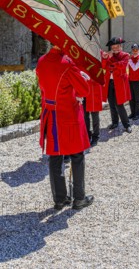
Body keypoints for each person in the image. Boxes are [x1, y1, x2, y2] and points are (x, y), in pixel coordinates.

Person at [36, 45, 94, 211]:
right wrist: (82, 76)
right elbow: (84, 90)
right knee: (77, 156)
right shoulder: (67, 63)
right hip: (67, 115)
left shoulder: (41, 61)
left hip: (50, 114)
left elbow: (43, 88)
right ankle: (79, 198)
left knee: (55, 158)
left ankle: (60, 199)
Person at [102, 37, 132, 133]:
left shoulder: (125, 55)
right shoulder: (108, 56)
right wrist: (105, 58)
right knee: (111, 104)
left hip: (119, 83)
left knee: (119, 105)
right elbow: (103, 66)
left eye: (116, 46)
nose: (115, 48)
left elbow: (122, 65)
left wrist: (111, 64)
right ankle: (115, 123)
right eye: (113, 47)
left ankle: (126, 125)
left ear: (120, 46)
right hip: (110, 82)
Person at [83, 76, 103, 147]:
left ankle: (95, 136)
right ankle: (87, 135)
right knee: (85, 116)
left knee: (95, 116)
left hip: (93, 91)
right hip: (83, 91)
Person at [128, 43, 139, 120]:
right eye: (133, 49)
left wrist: (129, 60)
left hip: (137, 80)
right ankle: (132, 113)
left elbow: (134, 68)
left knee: (137, 98)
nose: (135, 51)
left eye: (136, 49)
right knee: (131, 98)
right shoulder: (130, 58)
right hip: (130, 79)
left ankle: (137, 114)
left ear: (138, 50)